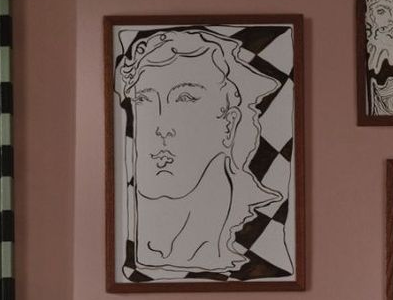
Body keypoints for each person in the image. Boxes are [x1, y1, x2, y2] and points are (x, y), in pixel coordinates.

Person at [117, 26, 291, 282]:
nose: (160, 127)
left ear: (229, 124)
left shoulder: (268, 259)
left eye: (185, 98)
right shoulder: (132, 255)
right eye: (144, 100)